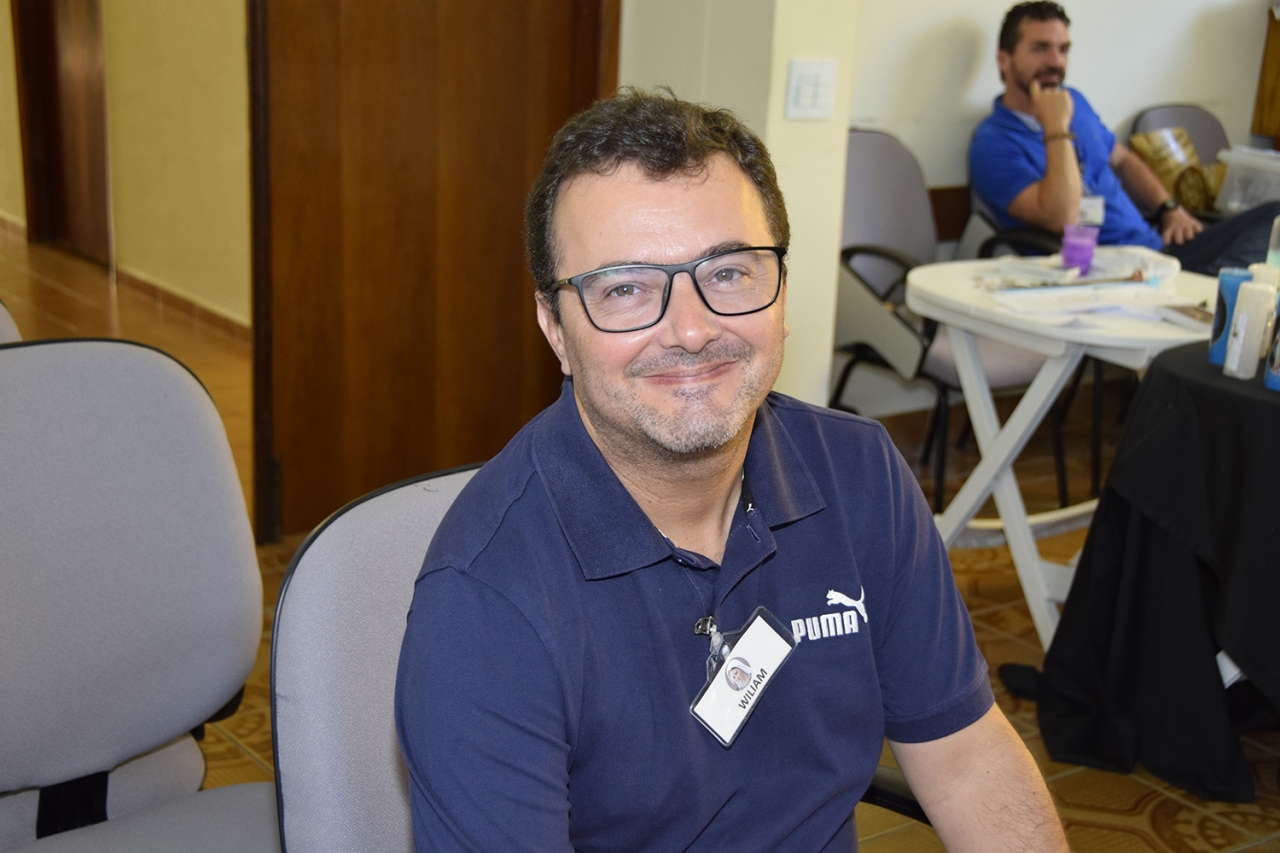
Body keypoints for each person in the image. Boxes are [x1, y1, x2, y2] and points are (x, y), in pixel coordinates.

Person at [395, 87, 1068, 852]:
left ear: (779, 292)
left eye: (727, 273)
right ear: (555, 326)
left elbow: (968, 762)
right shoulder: (484, 602)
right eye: (625, 288)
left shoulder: (861, 474)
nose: (690, 330)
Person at [970, 1, 1280, 276]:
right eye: (1040, 48)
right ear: (1005, 60)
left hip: (1157, 252)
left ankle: (1210, 288)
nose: (1056, 62)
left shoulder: (1075, 101)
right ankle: (1212, 292)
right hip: (1106, 270)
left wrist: (1169, 208)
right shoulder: (992, 143)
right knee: (1241, 278)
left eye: (1063, 49)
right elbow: (1063, 217)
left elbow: (1121, 159)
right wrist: (1056, 128)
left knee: (1275, 216)